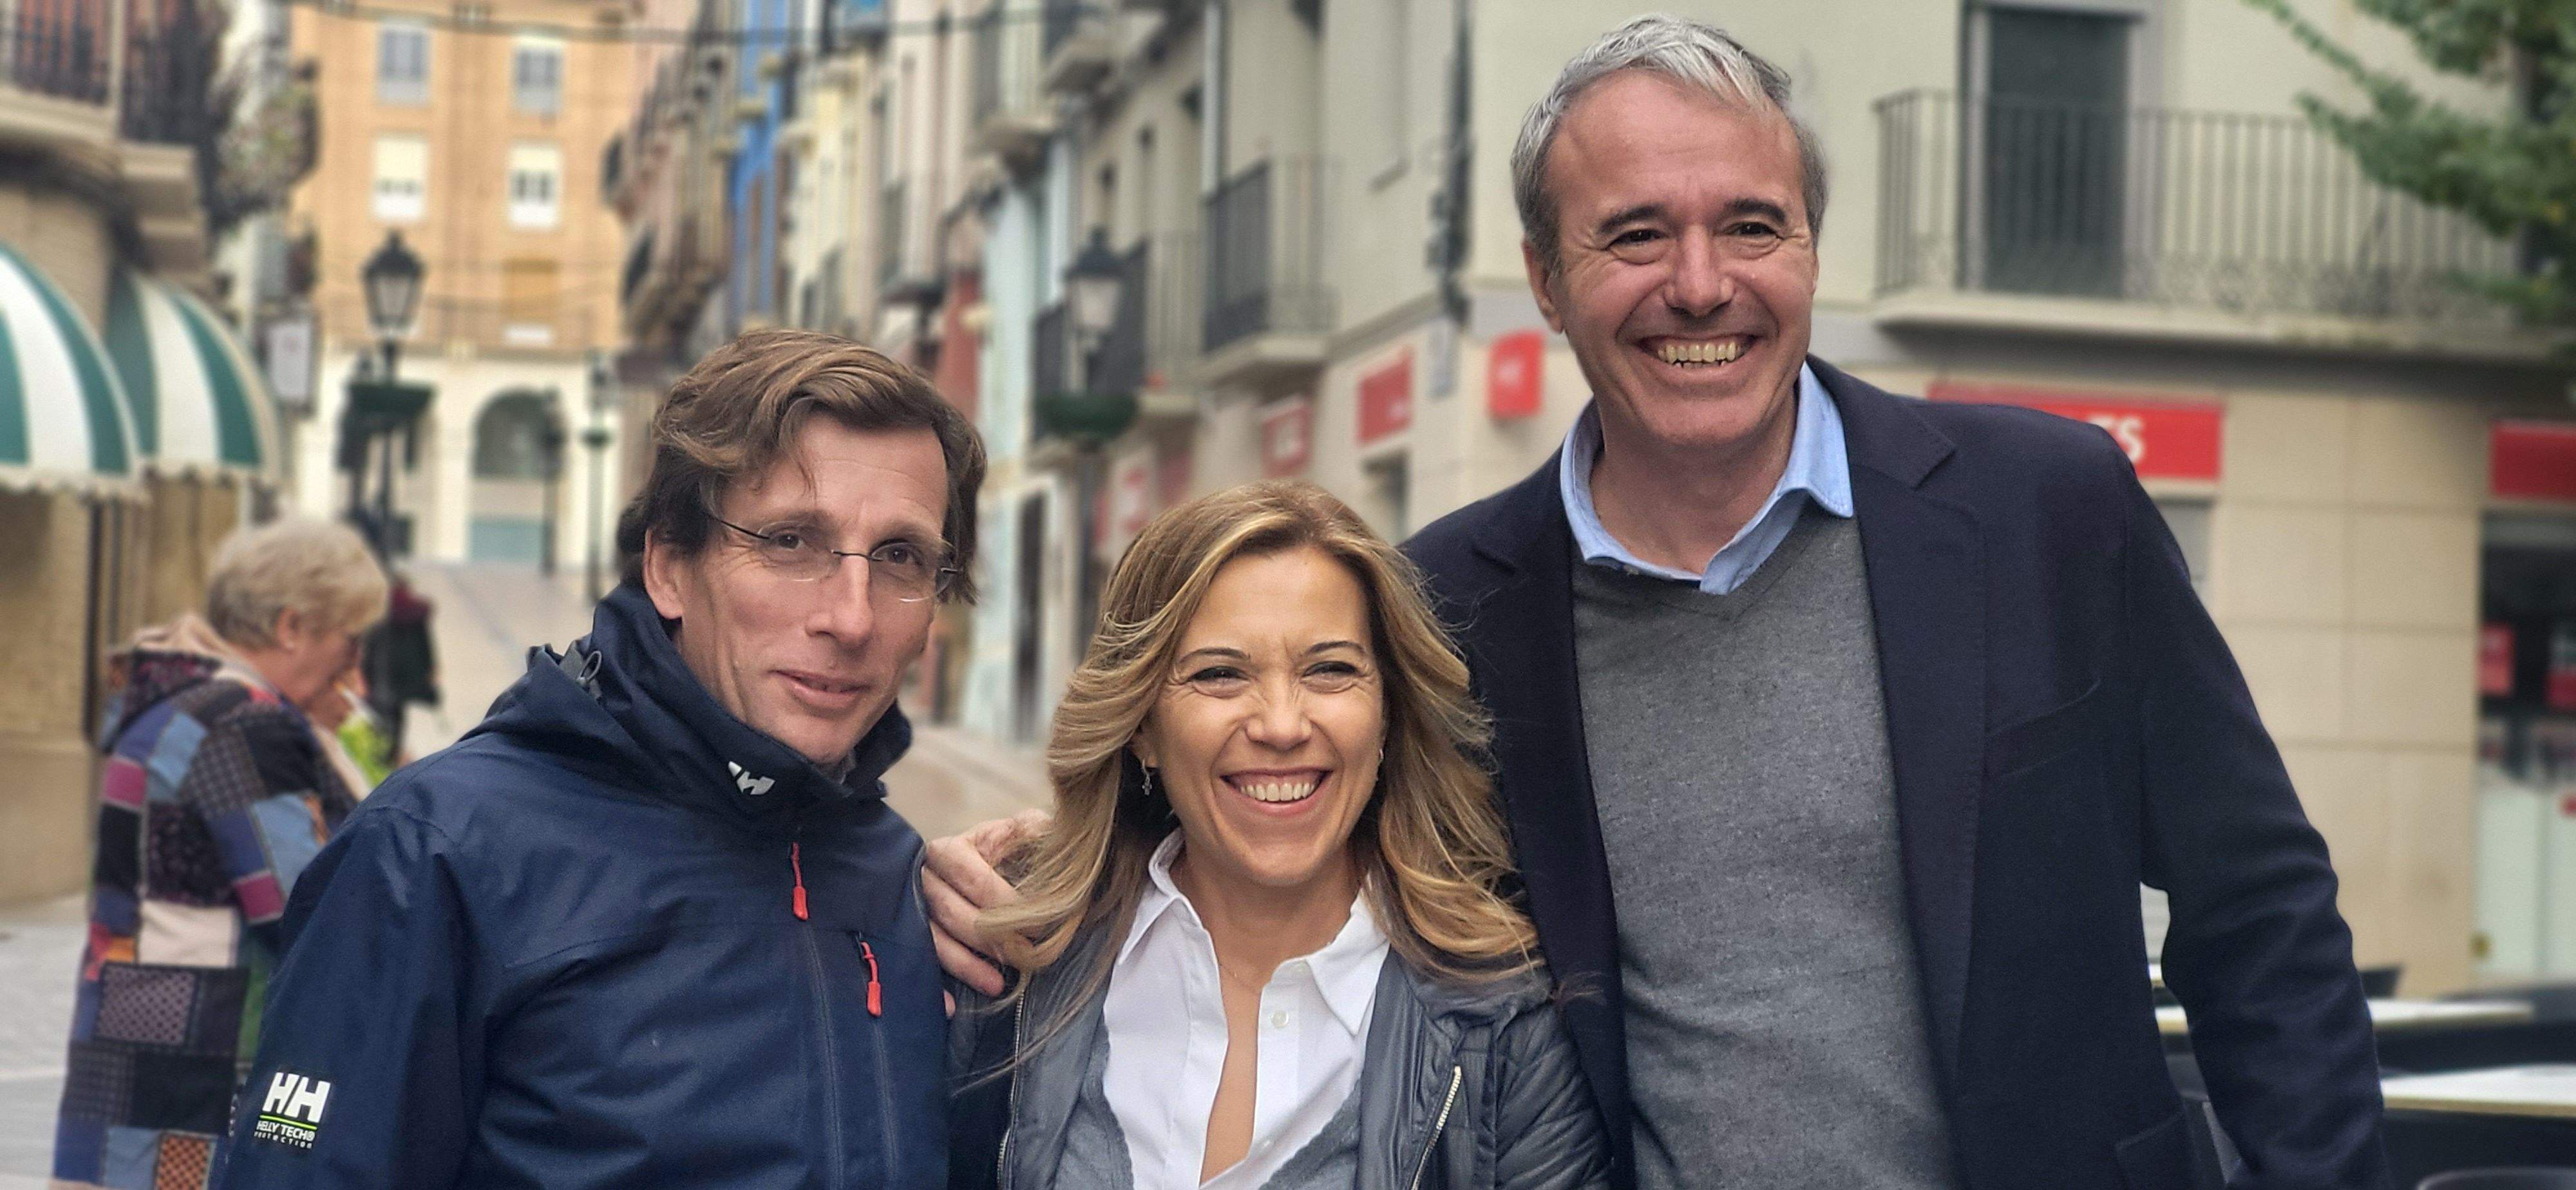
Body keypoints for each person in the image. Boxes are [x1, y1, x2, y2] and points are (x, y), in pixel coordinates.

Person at [929, 16, 2389, 1190]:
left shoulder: (2043, 508)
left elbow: (2256, 909)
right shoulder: (1448, 601)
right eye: (1634, 236)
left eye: (1750, 226)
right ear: (1547, 282)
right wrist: (1049, 874)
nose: (1701, 286)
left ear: (1810, 249)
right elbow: (1297, 826)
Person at [218, 330, 984, 1188]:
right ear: (667, 568)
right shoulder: (437, 853)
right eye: (789, 542)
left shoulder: (903, 882)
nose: (851, 617)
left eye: (901, 557)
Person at [947, 481, 1605, 1190]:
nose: (1283, 726)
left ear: (1387, 711)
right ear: (1140, 727)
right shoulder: (1008, 960)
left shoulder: (1506, 1028)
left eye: (1329, 670)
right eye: (1221, 674)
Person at [52, 518, 386, 1189]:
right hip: (208, 1088)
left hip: (128, 1071)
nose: (357, 674)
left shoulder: (171, 705)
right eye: (349, 643)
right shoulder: (244, 725)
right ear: (292, 627)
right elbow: (308, 910)